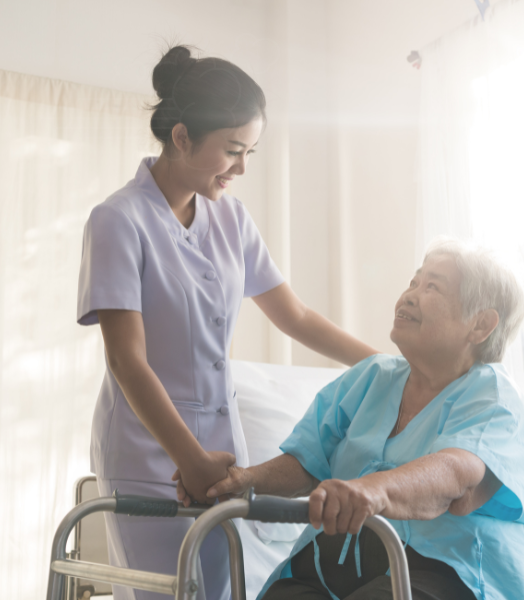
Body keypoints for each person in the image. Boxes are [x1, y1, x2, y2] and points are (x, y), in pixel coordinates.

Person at [76, 45, 379, 600]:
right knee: (165, 592)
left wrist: (385, 366)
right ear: (183, 137)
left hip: (222, 450)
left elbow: (295, 316)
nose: (241, 168)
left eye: (251, 152)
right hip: (150, 448)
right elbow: (126, 360)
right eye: (233, 150)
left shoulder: (230, 216)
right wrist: (187, 459)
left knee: (222, 589)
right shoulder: (118, 221)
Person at [178, 238, 524, 600]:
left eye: (432, 287)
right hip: (341, 558)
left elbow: (458, 475)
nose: (411, 295)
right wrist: (243, 481)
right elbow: (309, 462)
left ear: (480, 325)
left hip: (457, 564)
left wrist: (374, 490)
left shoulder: (493, 397)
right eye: (414, 282)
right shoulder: (371, 377)